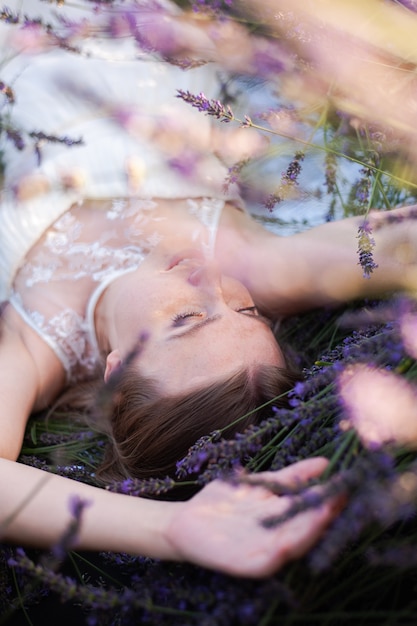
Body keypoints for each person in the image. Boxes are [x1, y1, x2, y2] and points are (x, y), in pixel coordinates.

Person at [0, 0, 416, 578]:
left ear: (119, 374)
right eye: (244, 308)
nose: (211, 280)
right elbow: (403, 240)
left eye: (186, 319)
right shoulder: (257, 266)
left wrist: (169, 529)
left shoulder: (34, 345)